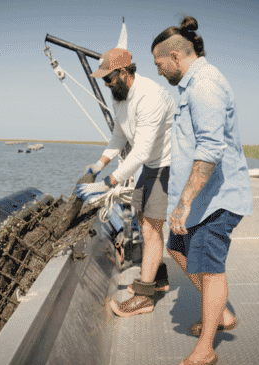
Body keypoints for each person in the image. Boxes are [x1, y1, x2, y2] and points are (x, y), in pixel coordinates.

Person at [151, 16, 253, 365]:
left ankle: (206, 348)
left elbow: (210, 150)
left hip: (216, 200)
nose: (160, 72)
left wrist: (183, 203)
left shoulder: (206, 85)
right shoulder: (191, 86)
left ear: (176, 56)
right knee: (177, 248)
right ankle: (221, 313)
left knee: (211, 268)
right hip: (200, 199)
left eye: (159, 64)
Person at [75, 47, 175, 317]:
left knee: (152, 229)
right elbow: (119, 137)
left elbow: (141, 151)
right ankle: (159, 277)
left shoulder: (150, 96)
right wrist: (99, 164)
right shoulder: (119, 97)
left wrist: (108, 182)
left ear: (123, 73)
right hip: (151, 166)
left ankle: (144, 298)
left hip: (167, 165)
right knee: (145, 223)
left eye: (108, 79)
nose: (105, 84)